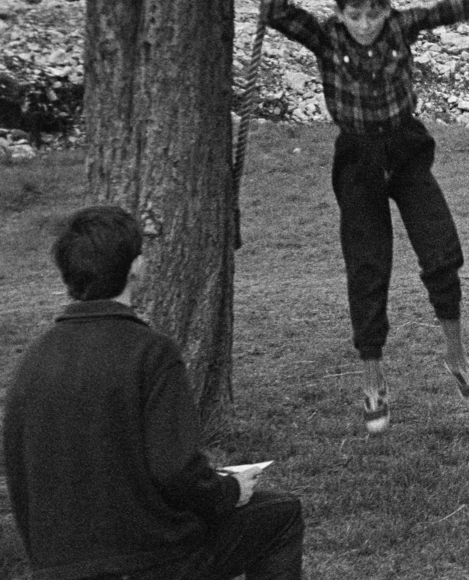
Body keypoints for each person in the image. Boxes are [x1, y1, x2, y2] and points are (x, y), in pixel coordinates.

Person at [263, 0, 469, 434]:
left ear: (386, 8)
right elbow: (275, 12)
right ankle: (373, 381)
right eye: (355, 15)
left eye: (373, 12)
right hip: (357, 159)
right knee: (367, 267)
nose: (366, 25)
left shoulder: (400, 26)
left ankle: (457, 356)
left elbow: (458, 6)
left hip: (406, 150)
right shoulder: (326, 37)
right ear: (340, 13)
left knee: (440, 252)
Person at [4, 205, 305, 580]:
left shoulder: (33, 359)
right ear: (135, 267)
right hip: (150, 561)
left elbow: (19, 471)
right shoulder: (150, 351)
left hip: (58, 567)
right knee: (281, 513)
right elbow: (175, 469)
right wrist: (230, 490)